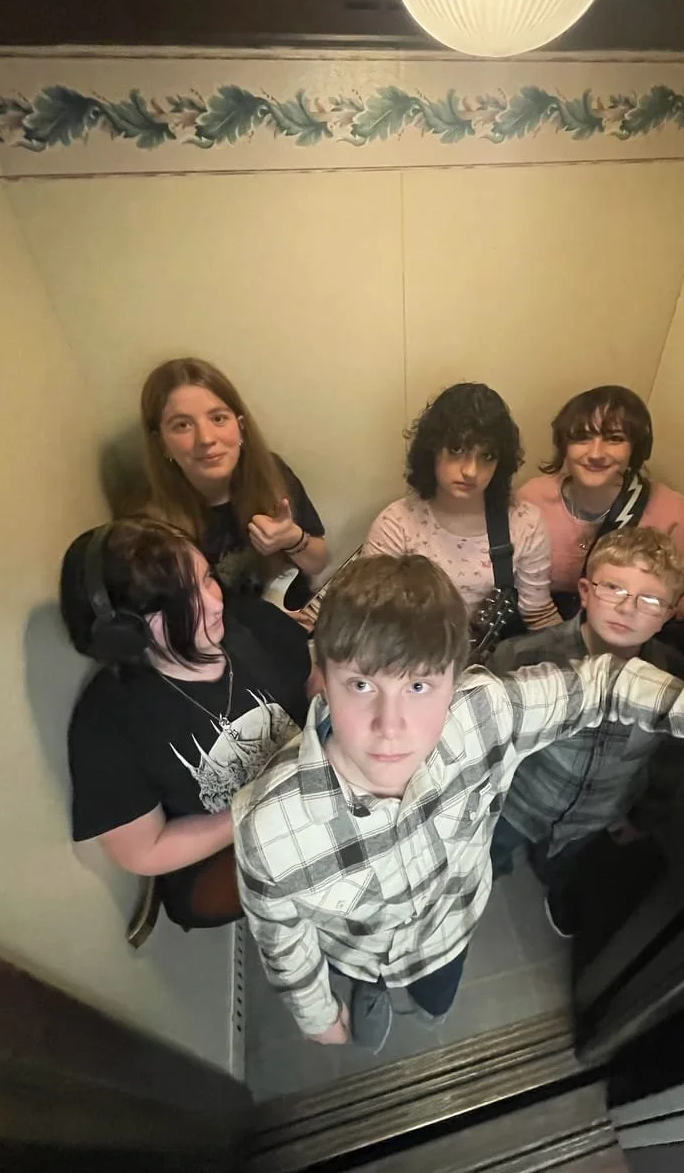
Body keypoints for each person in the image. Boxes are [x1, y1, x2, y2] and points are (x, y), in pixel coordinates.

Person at [232, 554, 684, 1053]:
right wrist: (318, 1018)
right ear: (321, 671)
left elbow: (605, 681)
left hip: (451, 930)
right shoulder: (271, 830)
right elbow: (284, 945)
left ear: (457, 679)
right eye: (361, 683)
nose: (390, 725)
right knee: (364, 992)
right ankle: (371, 995)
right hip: (357, 952)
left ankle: (417, 1001)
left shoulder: (481, 713)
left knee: (434, 1004)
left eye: (421, 685)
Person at [61, 516, 311, 929]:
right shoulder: (108, 721)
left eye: (207, 578)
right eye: (185, 601)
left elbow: (313, 681)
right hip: (222, 852)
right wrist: (259, 808)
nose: (216, 603)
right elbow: (142, 851)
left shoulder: (249, 623)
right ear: (127, 631)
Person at [487, 527, 684, 932]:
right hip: (519, 803)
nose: (627, 608)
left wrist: (645, 816)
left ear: (668, 614)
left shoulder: (674, 678)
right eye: (613, 588)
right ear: (584, 591)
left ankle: (556, 884)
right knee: (489, 856)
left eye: (649, 599)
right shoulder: (522, 656)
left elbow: (671, 757)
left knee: (564, 862)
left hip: (596, 814)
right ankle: (478, 887)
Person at [518, 385, 684, 641]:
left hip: (627, 641)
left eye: (614, 439)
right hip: (543, 634)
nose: (595, 453)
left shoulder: (670, 511)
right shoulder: (532, 498)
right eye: (582, 437)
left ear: (635, 447)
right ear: (564, 445)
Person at [363, 383, 561, 633]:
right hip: (410, 658)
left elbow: (538, 614)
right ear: (432, 451)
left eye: (487, 456)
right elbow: (369, 618)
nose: (470, 471)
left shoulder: (525, 523)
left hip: (494, 665)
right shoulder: (397, 523)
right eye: (456, 450)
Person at [140, 357, 329, 614]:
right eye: (182, 425)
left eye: (218, 418)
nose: (206, 439)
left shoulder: (271, 472)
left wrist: (292, 538)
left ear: (240, 427)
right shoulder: (150, 525)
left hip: (295, 617)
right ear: (161, 443)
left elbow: (318, 562)